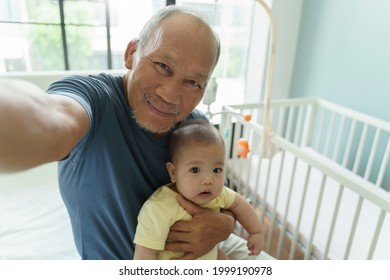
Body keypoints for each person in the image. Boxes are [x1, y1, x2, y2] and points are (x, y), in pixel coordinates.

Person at [0, 5, 263, 260]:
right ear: (131, 53)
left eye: (193, 82)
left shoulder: (195, 127)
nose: (170, 95)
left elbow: (223, 199)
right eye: (162, 66)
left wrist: (225, 224)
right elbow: (51, 117)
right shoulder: (95, 101)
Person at [133, 120, 264, 260]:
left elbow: (239, 203)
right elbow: (144, 256)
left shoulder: (218, 194)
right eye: (195, 170)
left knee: (222, 257)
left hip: (210, 256)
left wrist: (256, 232)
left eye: (216, 170)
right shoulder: (159, 208)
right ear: (173, 173)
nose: (208, 180)